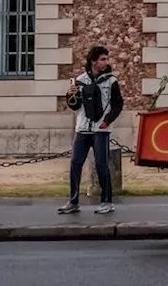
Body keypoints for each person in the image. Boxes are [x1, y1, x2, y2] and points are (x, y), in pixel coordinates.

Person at [57, 45, 123, 215]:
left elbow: (118, 105)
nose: (105, 62)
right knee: (75, 164)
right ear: (93, 61)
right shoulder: (80, 80)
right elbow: (75, 105)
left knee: (102, 165)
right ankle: (73, 201)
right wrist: (70, 95)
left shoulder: (111, 81)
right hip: (82, 128)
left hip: (101, 129)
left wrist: (107, 121)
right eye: (102, 59)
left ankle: (106, 201)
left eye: (106, 59)